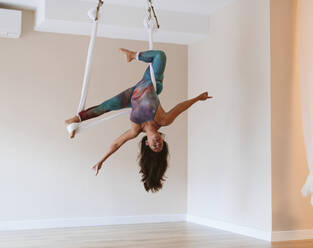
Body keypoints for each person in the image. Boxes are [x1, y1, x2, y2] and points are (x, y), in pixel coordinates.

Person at [65, 49, 212, 192]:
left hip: (131, 96)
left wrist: (102, 161)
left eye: (154, 146)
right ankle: (133, 55)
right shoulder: (164, 120)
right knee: (160, 55)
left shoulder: (136, 130)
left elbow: (116, 143)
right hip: (150, 83)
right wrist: (199, 98)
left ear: (147, 143)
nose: (157, 143)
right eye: (160, 145)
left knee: (106, 106)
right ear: (161, 138)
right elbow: (181, 107)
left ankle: (75, 119)